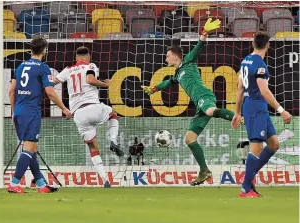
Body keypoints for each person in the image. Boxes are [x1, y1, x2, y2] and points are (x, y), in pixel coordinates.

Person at [141, 18, 238, 186]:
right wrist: (154, 89)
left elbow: (198, 48)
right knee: (189, 139)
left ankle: (239, 118)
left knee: (210, 111)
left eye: (167, 56)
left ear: (176, 57)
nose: (165, 59)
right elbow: (167, 82)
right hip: (199, 104)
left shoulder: (188, 61)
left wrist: (204, 34)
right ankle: (204, 171)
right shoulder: (178, 74)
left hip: (205, 97)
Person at [231, 31, 292, 197]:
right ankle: (246, 188)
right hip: (255, 108)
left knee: (274, 144)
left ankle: (248, 178)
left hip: (257, 108)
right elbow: (265, 91)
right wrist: (281, 110)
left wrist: (237, 112)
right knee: (256, 147)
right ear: (268, 45)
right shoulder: (259, 65)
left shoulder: (245, 61)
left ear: (253, 43)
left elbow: (240, 88)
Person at [8, 37, 72, 193]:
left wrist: (13, 111)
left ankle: (41, 184)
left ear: (31, 50)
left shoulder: (21, 66)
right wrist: (64, 108)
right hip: (31, 112)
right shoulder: (43, 68)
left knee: (32, 149)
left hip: (19, 111)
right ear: (44, 50)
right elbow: (50, 92)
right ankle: (14, 183)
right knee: (29, 148)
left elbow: (11, 91)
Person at [54, 46, 123, 188]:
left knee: (93, 147)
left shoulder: (68, 69)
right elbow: (90, 80)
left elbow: (52, 82)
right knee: (113, 114)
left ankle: (105, 180)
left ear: (76, 58)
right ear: (88, 57)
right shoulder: (91, 66)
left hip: (78, 114)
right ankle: (113, 140)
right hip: (92, 107)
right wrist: (105, 84)